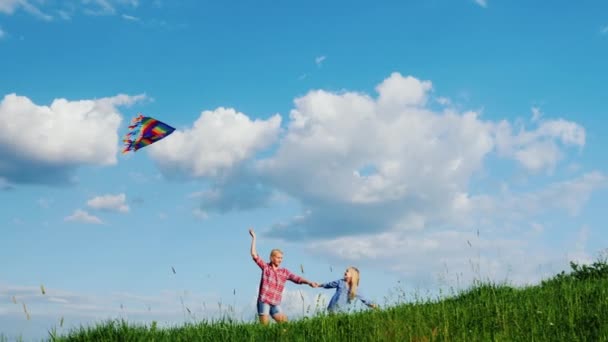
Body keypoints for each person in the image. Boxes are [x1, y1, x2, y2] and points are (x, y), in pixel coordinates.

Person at [249, 228, 318, 325]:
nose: (280, 260)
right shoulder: (266, 268)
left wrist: (309, 282)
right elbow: (254, 254)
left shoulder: (284, 272)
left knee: (284, 323)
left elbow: (297, 279)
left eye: (281, 258)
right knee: (264, 328)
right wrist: (254, 238)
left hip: (275, 303)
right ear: (272, 258)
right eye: (278, 258)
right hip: (264, 300)